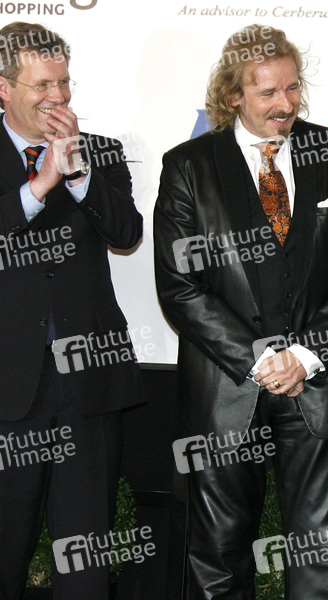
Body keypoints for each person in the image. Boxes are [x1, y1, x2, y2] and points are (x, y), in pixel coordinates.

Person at [154, 24, 328, 599]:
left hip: (317, 382)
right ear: (233, 95)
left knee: (321, 557)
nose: (285, 104)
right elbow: (180, 285)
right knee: (218, 558)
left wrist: (304, 355)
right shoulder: (188, 166)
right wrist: (260, 361)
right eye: (267, 93)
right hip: (226, 388)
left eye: (293, 88)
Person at [0, 21, 144, 600]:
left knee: (85, 564)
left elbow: (127, 233)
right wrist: (39, 186)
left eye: (63, 83)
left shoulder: (100, 152)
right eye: (42, 85)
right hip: (8, 390)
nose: (57, 97)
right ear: (4, 88)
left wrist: (78, 173)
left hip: (89, 383)